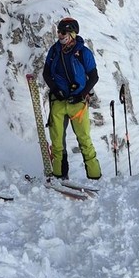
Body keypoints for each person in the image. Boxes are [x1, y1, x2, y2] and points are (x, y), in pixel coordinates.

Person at [42, 16, 101, 181]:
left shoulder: (83, 52)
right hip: (59, 101)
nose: (60, 35)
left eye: (64, 32)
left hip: (78, 103)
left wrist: (82, 95)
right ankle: (59, 176)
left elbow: (94, 76)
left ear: (73, 34)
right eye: (59, 31)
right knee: (57, 142)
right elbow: (46, 73)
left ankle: (95, 177)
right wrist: (55, 89)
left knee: (84, 140)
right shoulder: (54, 51)